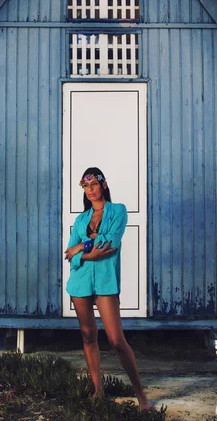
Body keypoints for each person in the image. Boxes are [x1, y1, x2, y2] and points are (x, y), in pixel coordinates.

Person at [65, 167, 152, 411]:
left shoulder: (118, 211)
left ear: (103, 185)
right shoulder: (81, 219)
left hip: (105, 281)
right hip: (80, 281)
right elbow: (69, 256)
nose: (90, 190)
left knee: (116, 339)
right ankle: (98, 390)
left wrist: (82, 248)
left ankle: (140, 393)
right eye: (85, 186)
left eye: (93, 184)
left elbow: (110, 243)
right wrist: (83, 253)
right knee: (88, 335)